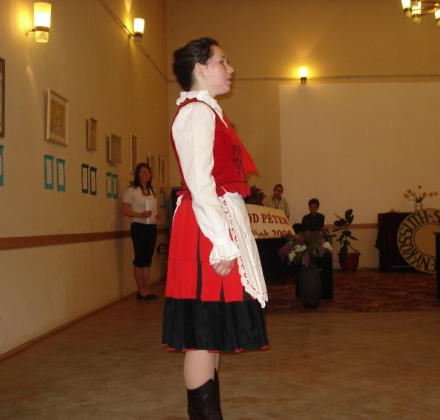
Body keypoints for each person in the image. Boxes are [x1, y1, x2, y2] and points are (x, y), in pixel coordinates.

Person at [162, 37, 269, 419]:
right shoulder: (195, 113)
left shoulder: (207, 111)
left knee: (211, 335)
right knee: (201, 336)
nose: (230, 69)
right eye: (222, 61)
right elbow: (200, 183)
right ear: (201, 68)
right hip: (205, 232)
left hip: (213, 224)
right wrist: (222, 243)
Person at [121, 163, 160, 300]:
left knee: (148, 258)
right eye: (143, 172)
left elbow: (155, 209)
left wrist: (157, 215)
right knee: (139, 258)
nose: (146, 174)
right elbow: (124, 209)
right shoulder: (132, 190)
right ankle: (140, 290)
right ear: (138, 174)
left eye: (148, 172)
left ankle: (146, 289)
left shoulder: (153, 190)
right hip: (138, 226)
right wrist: (139, 214)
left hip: (152, 226)